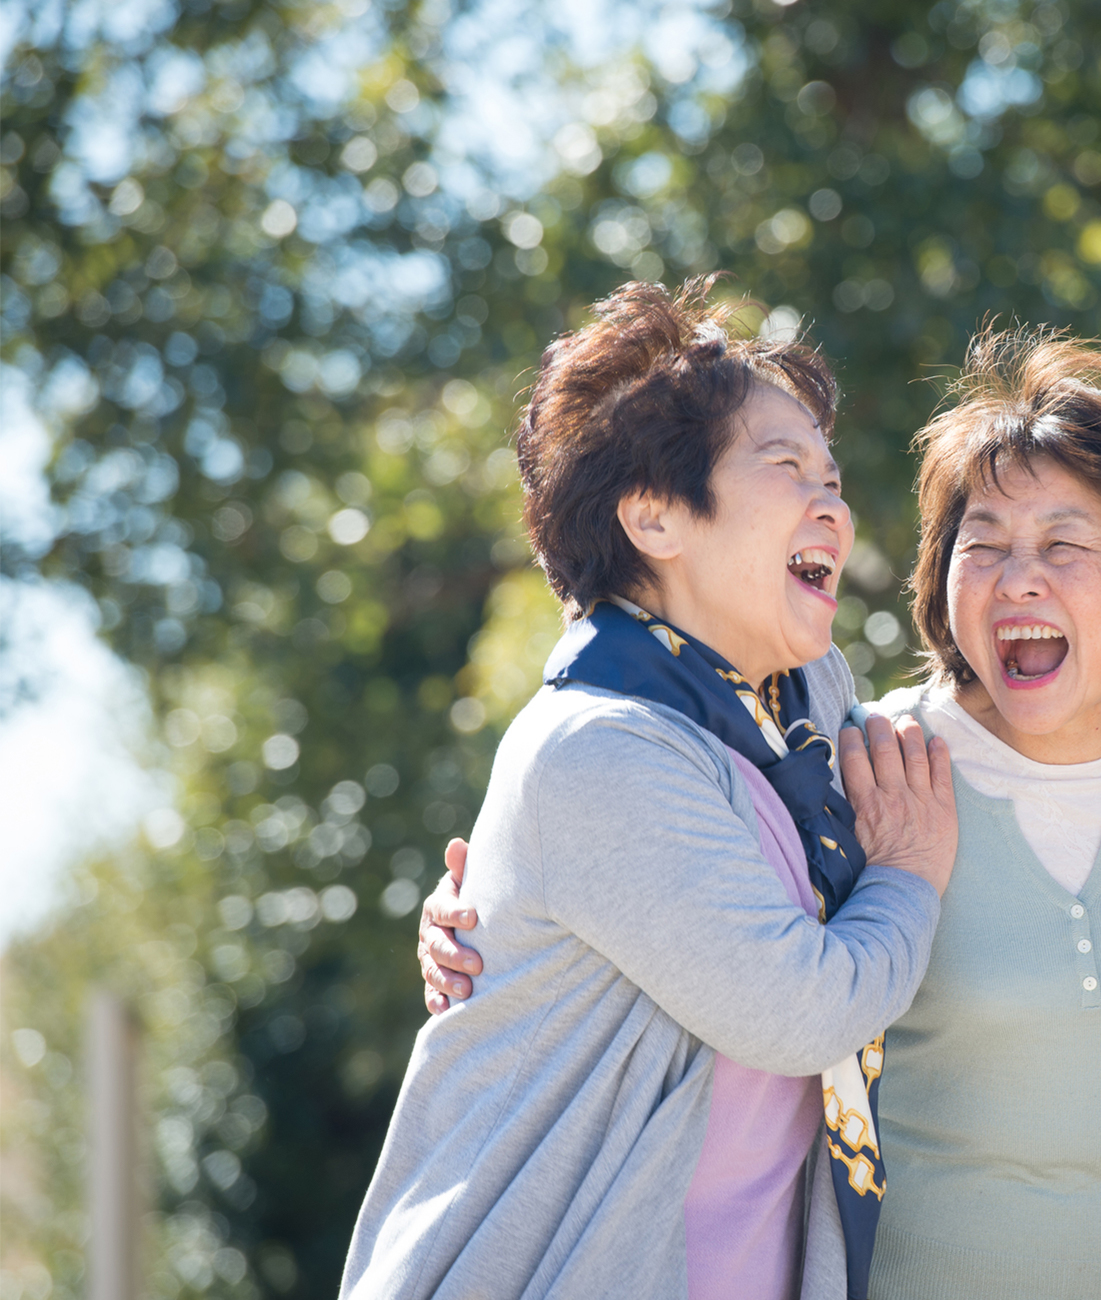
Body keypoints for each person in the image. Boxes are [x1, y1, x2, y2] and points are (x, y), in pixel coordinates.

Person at [420, 329, 1101, 1300]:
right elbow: (668, 896)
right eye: (980, 544)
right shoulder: (864, 766)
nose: (1015, 577)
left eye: (1063, 544)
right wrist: (481, 927)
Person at [341, 278, 958, 1300]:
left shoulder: (803, 706)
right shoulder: (595, 750)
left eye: (833, 476)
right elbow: (799, 1009)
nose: (833, 503)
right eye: (784, 464)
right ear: (656, 517)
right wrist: (908, 876)